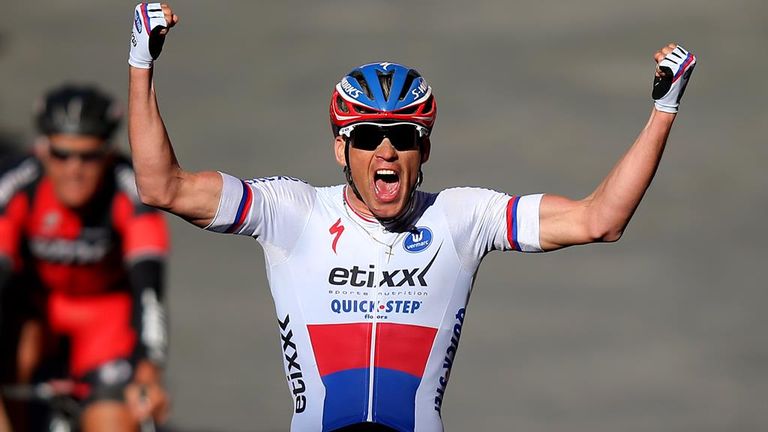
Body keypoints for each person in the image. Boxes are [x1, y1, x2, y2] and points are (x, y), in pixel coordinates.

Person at [127, 3, 696, 431]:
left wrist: (663, 110)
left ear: (424, 150)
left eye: (403, 136)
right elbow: (162, 186)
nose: (386, 151)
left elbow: (600, 220)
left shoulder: (462, 216)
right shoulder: (291, 212)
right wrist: (141, 65)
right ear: (339, 150)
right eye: (368, 136)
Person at [0, 84, 171, 431]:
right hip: (35, 319)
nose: (74, 169)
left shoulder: (130, 190)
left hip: (105, 322)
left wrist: (149, 369)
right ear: (43, 150)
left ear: (108, 154)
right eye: (62, 155)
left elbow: (150, 292)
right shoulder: (15, 184)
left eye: (89, 156)